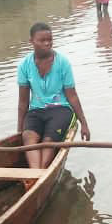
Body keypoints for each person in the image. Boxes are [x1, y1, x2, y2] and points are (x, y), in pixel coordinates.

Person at [17, 23, 91, 169]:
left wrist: (84, 123)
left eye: (50, 39)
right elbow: (23, 101)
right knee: (28, 137)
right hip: (36, 110)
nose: (47, 43)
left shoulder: (62, 63)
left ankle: (41, 174)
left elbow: (72, 96)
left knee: (49, 141)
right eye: (42, 40)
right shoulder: (24, 65)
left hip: (61, 109)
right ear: (31, 42)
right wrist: (19, 130)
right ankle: (35, 173)